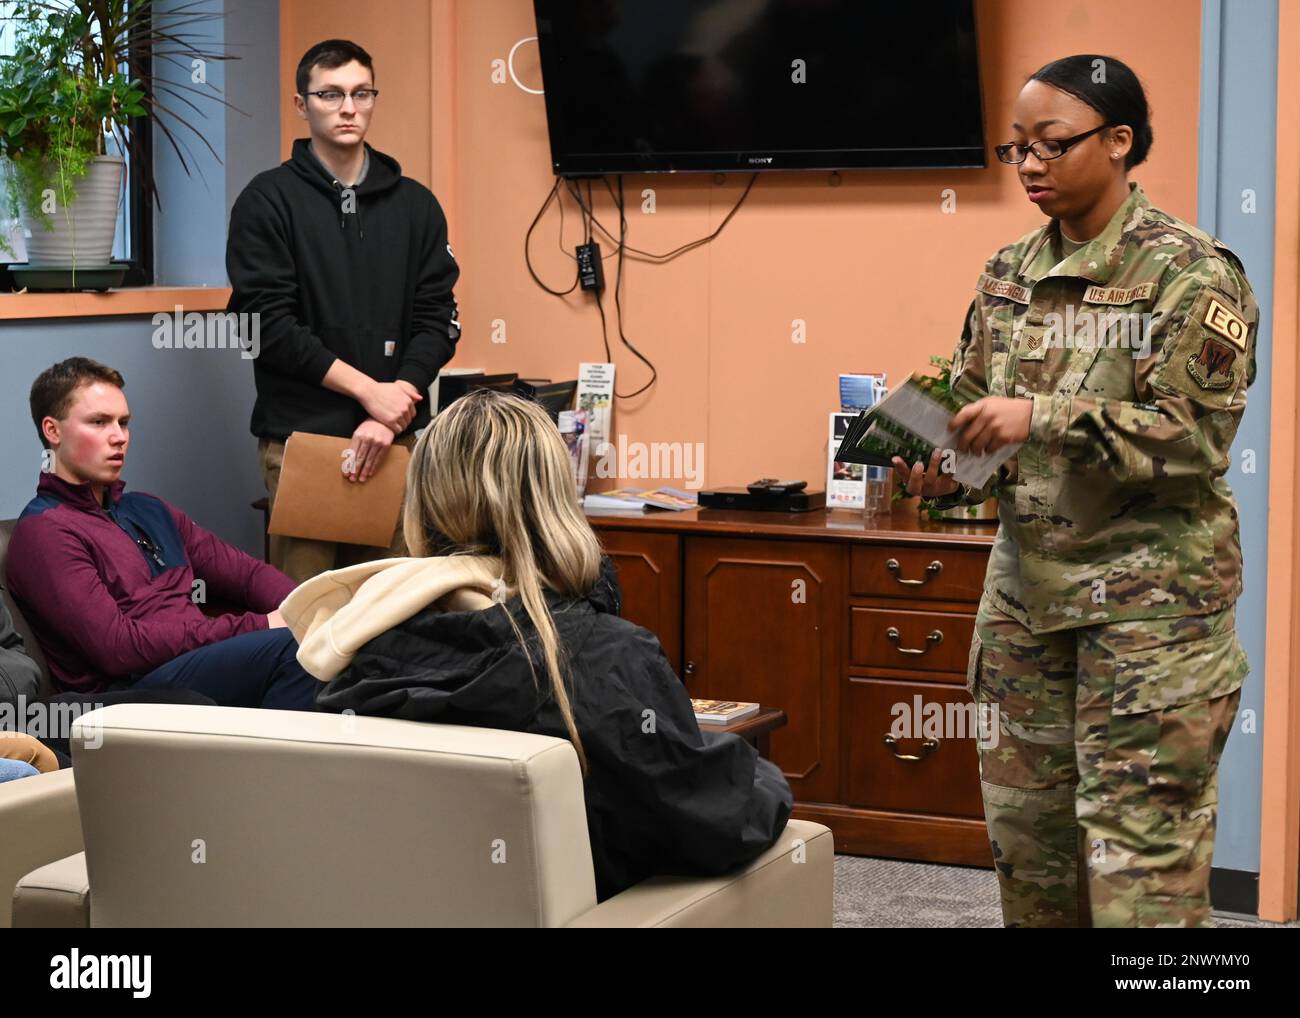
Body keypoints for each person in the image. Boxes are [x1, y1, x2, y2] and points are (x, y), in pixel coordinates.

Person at [892, 55, 1257, 928]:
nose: (1029, 165)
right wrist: (941, 462)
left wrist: (1038, 417)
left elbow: (1193, 440)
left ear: (1120, 141)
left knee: (1142, 883)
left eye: (1051, 145)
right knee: (1034, 863)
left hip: (1151, 624)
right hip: (1027, 615)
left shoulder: (1192, 273)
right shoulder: (1007, 271)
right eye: (1016, 149)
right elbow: (981, 422)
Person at [281, 390, 793, 901]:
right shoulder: (604, 656)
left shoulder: (355, 651)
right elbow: (707, 823)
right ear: (553, 500)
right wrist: (763, 776)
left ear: (422, 499)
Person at [226, 38, 462, 583]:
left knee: (397, 615)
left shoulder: (416, 205)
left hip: (396, 444)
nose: (348, 108)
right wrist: (369, 394)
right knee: (312, 625)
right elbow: (265, 326)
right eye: (330, 94)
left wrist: (394, 401)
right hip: (304, 443)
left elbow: (439, 319)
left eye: (361, 93)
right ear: (301, 104)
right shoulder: (266, 202)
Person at [5, 358, 318, 711]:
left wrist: (311, 608)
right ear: (53, 431)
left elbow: (246, 574)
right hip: (131, 691)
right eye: (99, 422)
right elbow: (117, 649)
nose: (118, 436)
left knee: (338, 640)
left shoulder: (147, 509)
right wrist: (258, 625)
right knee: (296, 650)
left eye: (123, 423)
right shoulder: (46, 531)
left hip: (195, 662)